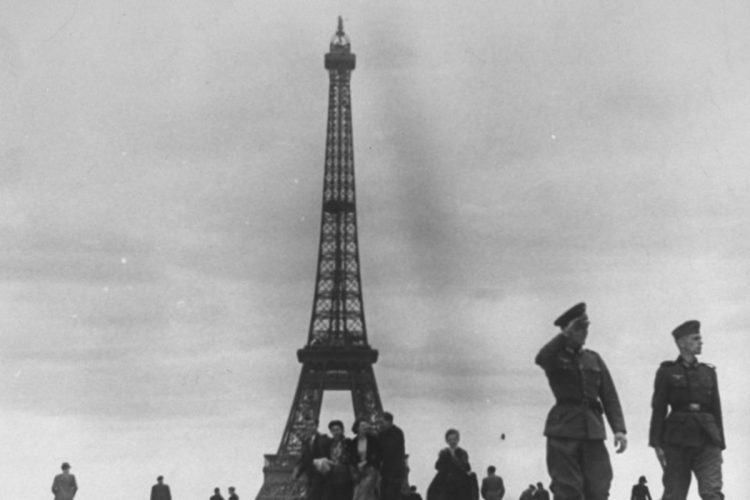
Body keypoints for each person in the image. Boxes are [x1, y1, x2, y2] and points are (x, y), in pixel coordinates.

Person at [535, 302, 627, 499]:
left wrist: (619, 429)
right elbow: (541, 358)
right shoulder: (555, 357)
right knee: (569, 489)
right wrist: (564, 336)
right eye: (579, 328)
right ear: (567, 331)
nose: (585, 332)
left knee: (600, 486)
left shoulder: (594, 359)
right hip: (564, 432)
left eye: (586, 327)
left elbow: (609, 395)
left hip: (593, 431)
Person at [648, 320, 724, 500]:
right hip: (676, 441)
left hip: (707, 439)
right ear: (682, 343)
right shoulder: (667, 372)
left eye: (700, 338)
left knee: (712, 492)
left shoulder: (709, 372)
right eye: (695, 338)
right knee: (675, 493)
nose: (701, 342)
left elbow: (716, 409)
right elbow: (658, 408)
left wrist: (720, 443)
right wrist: (656, 443)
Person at [426, 428, 477, 500]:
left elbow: (465, 466)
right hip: (445, 479)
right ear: (447, 441)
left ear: (458, 439)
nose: (452, 441)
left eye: (454, 439)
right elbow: (437, 466)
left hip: (460, 480)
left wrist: (453, 456)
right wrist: (441, 457)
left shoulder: (462, 452)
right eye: (450, 439)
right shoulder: (444, 452)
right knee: (433, 491)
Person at [293, 417, 330, 500]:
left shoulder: (325, 439)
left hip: (321, 474)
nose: (309, 427)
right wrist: (297, 473)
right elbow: (304, 459)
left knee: (313, 496)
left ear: (317, 426)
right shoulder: (306, 442)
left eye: (312, 425)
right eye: (307, 426)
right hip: (309, 475)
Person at [348, 418, 381, 500]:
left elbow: (377, 454)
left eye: (366, 425)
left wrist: (366, 462)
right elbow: (351, 458)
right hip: (359, 472)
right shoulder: (353, 442)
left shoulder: (373, 440)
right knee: (364, 494)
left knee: (362, 494)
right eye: (362, 425)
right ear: (357, 428)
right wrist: (357, 466)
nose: (365, 427)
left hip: (371, 469)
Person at [321, 419, 353, 500]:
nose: (335, 432)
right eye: (333, 430)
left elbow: (352, 458)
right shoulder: (328, 444)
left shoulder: (348, 443)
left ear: (342, 430)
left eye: (337, 430)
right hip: (331, 477)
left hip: (345, 476)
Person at [378, 412, 407, 500]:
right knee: (384, 494)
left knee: (392, 494)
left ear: (389, 421)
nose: (380, 425)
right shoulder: (382, 433)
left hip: (395, 471)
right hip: (386, 471)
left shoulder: (397, 432)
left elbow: (390, 449)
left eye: (382, 422)